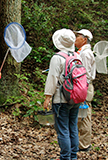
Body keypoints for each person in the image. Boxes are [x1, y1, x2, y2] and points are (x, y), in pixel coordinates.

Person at [43, 28, 79, 160]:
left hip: (61, 99)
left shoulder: (57, 58)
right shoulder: (77, 56)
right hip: (76, 98)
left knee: (63, 130)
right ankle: (73, 156)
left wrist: (48, 97)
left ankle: (65, 157)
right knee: (73, 128)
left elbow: (52, 78)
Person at [74, 29, 96, 152]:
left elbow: (86, 74)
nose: (75, 39)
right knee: (80, 115)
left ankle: (84, 144)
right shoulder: (82, 52)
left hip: (84, 87)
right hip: (82, 86)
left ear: (84, 39)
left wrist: (82, 90)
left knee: (85, 115)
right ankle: (80, 142)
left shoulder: (86, 54)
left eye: (78, 36)